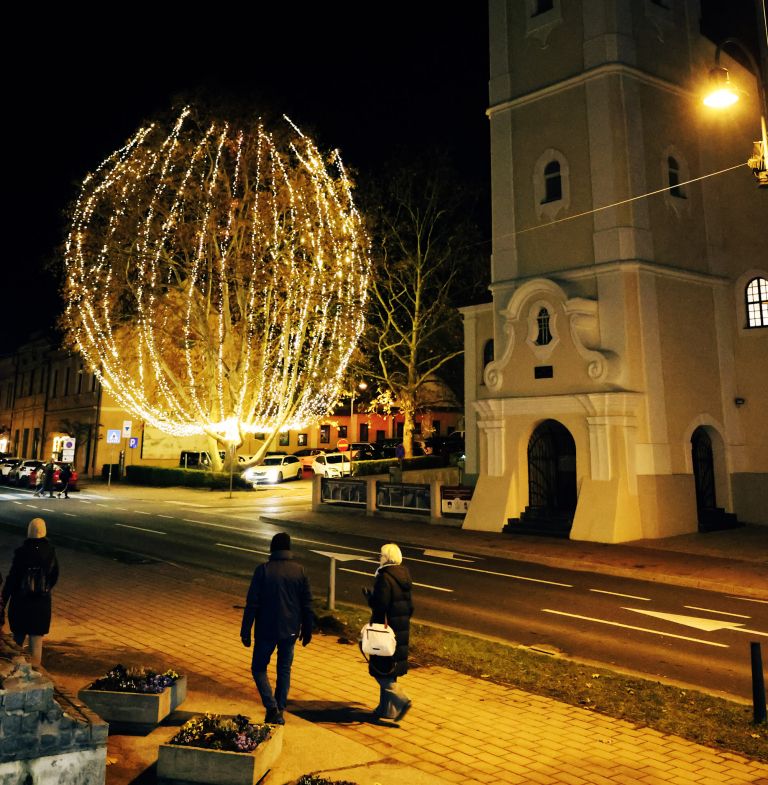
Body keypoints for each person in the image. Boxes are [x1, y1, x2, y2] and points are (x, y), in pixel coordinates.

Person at [240, 532, 313, 725]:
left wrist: (245, 630)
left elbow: (252, 603)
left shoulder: (263, 570)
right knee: (284, 669)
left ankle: (271, 707)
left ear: (272, 548)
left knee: (258, 668)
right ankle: (279, 708)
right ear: (288, 549)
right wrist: (307, 628)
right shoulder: (300, 571)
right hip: (290, 630)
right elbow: (307, 603)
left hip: (266, 630)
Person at [363, 542, 414, 722]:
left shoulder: (384, 577)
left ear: (386, 558)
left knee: (379, 670)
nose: (379, 558)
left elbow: (380, 606)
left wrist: (370, 599)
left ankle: (402, 699)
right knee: (389, 670)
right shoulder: (404, 576)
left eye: (380, 555)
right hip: (400, 630)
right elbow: (410, 606)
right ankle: (386, 710)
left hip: (384, 632)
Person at [0, 518, 59, 665]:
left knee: (17, 641)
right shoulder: (50, 552)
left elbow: (12, 578)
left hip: (21, 603)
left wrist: (3, 599)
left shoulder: (21, 552)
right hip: (41, 604)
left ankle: (16, 673)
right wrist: (44, 588)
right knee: (36, 642)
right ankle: (36, 674)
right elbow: (54, 575)